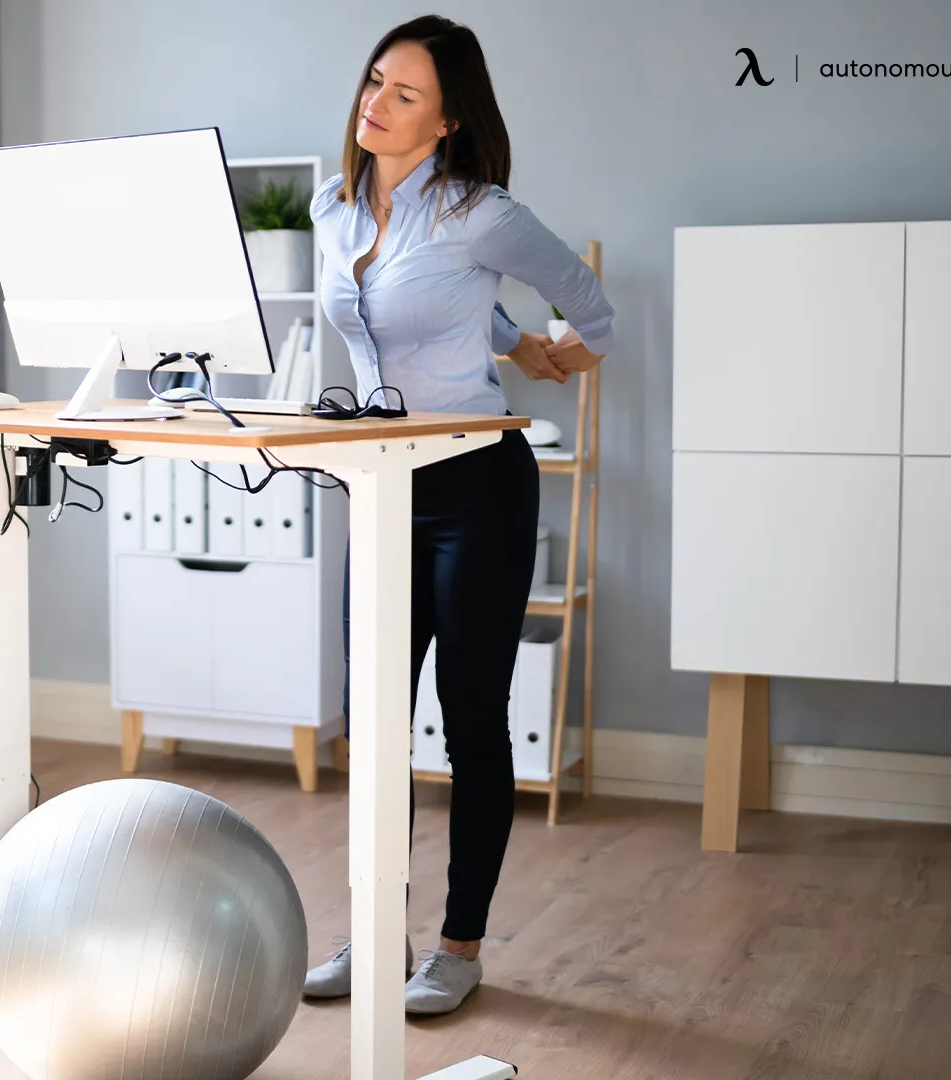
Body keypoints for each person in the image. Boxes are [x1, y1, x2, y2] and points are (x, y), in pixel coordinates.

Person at [300, 13, 615, 1017]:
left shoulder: (483, 210)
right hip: (382, 486)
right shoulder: (333, 210)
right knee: (375, 723)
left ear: (446, 123)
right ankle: (373, 933)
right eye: (374, 81)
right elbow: (428, 304)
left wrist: (561, 347)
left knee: (473, 724)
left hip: (478, 484)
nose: (375, 104)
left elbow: (588, 299)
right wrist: (509, 335)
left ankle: (459, 946)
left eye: (404, 95)